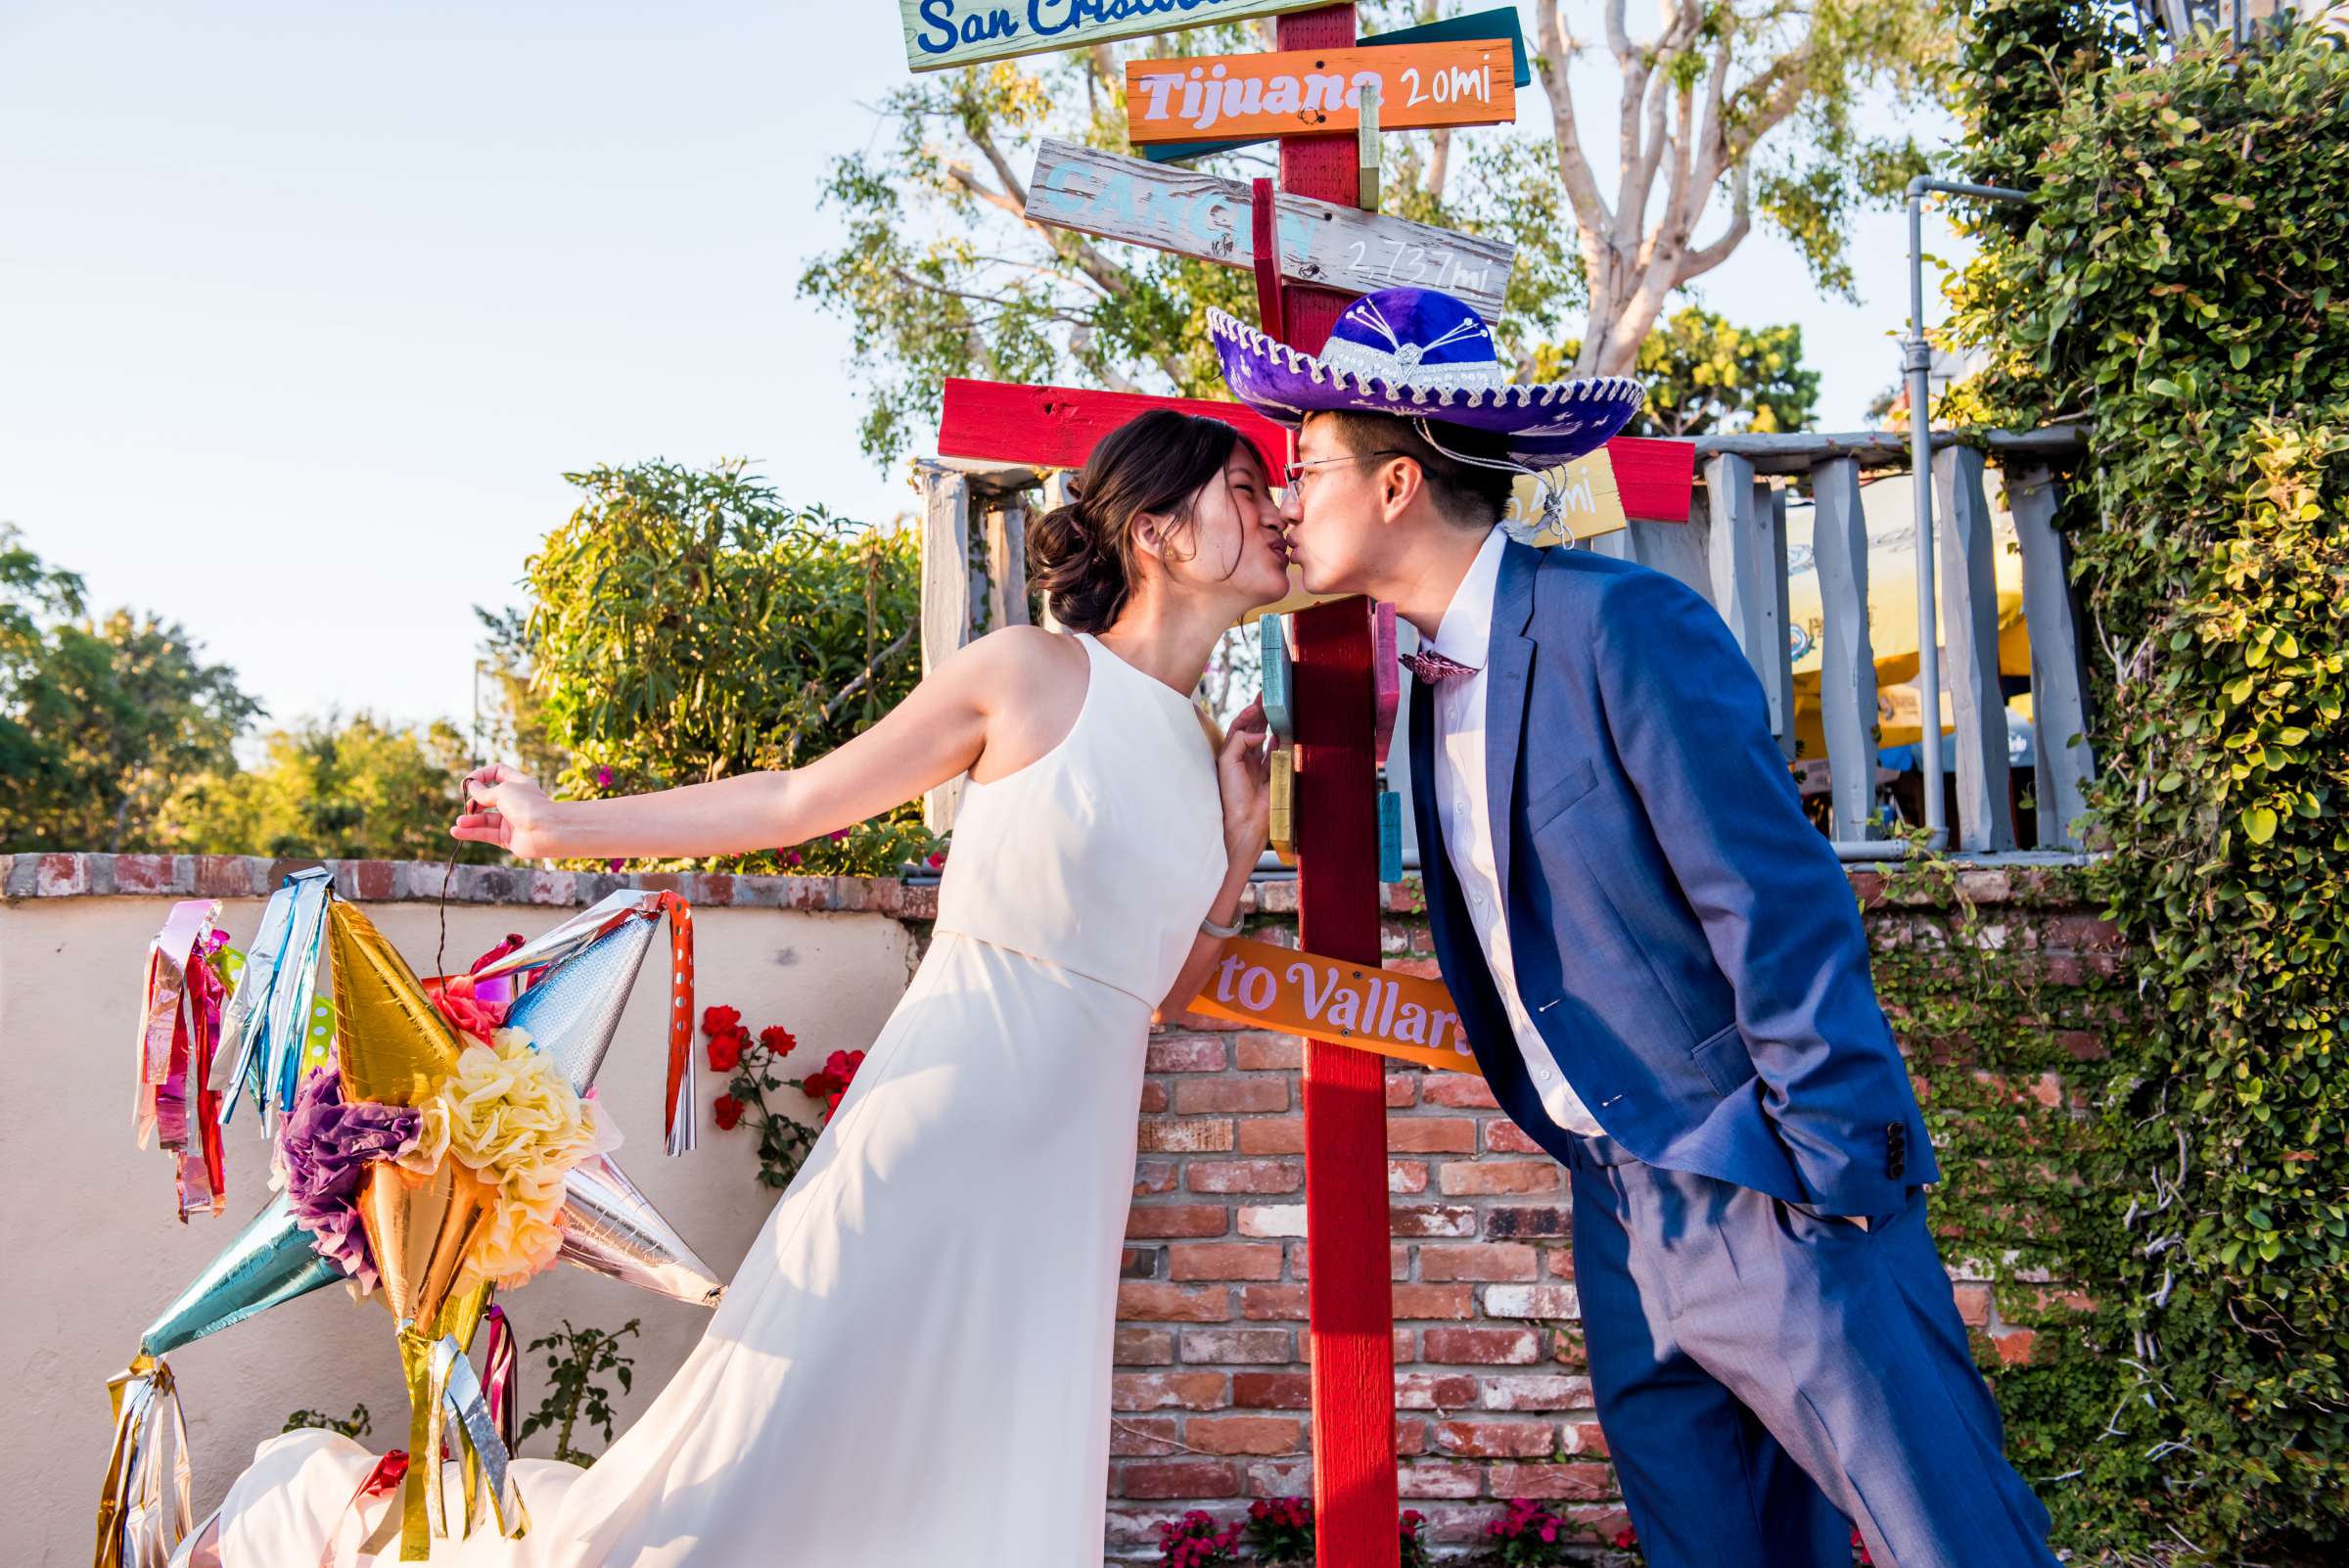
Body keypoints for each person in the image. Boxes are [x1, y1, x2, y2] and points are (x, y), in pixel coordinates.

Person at [195, 407, 1288, 1567]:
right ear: (1160, 529)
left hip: (1067, 1183)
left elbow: (1164, 993)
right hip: (937, 1136)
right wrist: (562, 826)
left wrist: (1237, 837)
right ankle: (293, 1523)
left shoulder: (1204, 744)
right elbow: (792, 802)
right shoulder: (1030, 672)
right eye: (1248, 486)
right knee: (742, 1488)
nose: (1277, 512)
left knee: (980, 1491)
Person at [1210, 287, 2059, 1568]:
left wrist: (1826, 1181)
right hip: (1619, 1210)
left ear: (1395, 484)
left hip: (1772, 1196)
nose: (1286, 493)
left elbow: (1776, 902)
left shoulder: (1621, 623)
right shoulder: (1431, 689)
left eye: (1306, 461)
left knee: (1961, 1544)